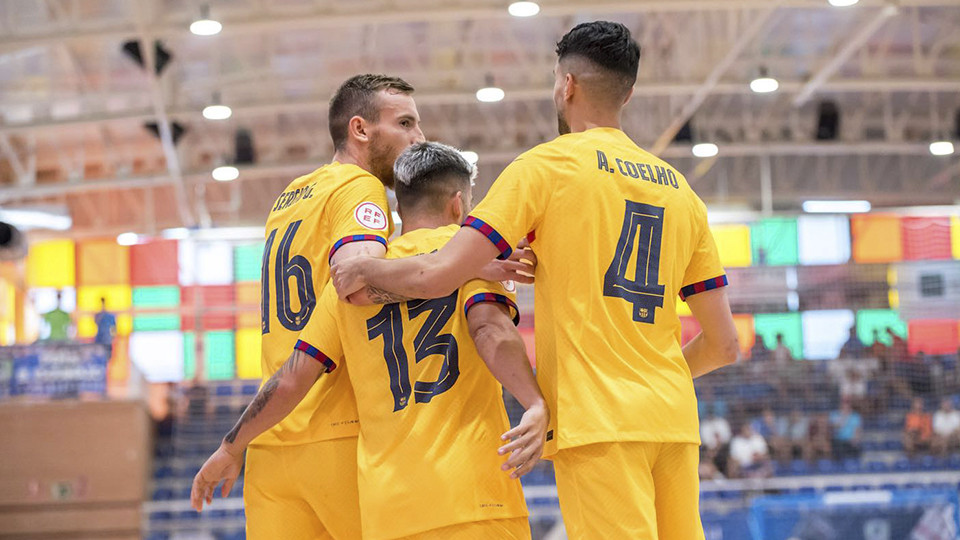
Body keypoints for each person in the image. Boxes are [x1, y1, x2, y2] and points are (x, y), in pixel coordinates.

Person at [331, 21, 739, 538]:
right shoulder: (683, 193)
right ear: (628, 93)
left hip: (596, 423)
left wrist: (365, 267)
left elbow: (438, 272)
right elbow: (725, 344)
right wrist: (653, 381)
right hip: (674, 423)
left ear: (566, 85)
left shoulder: (545, 168)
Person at [192, 142, 547, 539]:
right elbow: (489, 330)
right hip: (475, 498)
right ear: (458, 205)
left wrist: (231, 447)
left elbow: (290, 379)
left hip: (387, 512)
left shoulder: (348, 282)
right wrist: (533, 402)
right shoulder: (477, 259)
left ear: (398, 210)